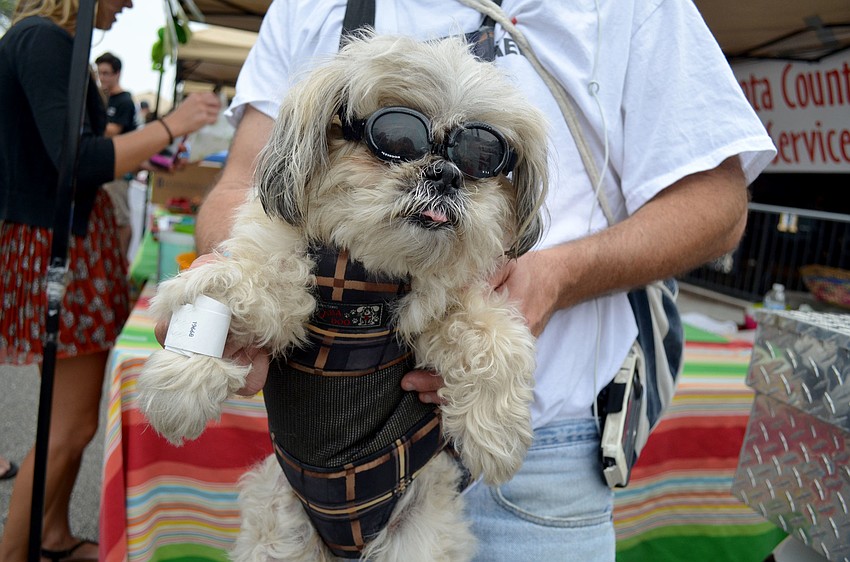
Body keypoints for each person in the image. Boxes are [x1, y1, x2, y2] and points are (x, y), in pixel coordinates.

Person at [177, 1, 775, 560]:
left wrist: (555, 277)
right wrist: (238, 286)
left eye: (483, 154)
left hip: (536, 455)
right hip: (312, 455)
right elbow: (245, 185)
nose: (439, 172)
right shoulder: (309, 7)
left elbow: (718, 204)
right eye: (394, 137)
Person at [0, 0, 221, 558]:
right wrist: (174, 124)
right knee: (68, 427)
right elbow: (79, 160)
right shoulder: (45, 41)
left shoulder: (53, 43)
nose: (126, 4)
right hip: (60, 249)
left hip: (70, 245)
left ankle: (49, 534)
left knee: (68, 424)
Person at [95, 51, 137, 260]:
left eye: (106, 73)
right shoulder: (104, 98)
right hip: (104, 167)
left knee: (121, 219)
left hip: (118, 168)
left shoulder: (124, 101)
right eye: (99, 73)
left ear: (117, 73)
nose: (102, 78)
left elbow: (113, 131)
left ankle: (120, 262)